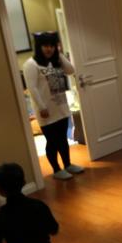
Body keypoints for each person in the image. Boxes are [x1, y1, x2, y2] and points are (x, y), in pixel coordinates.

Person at [22, 31, 85, 180]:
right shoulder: (31, 64)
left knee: (63, 139)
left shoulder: (56, 61)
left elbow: (71, 70)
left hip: (61, 107)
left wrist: (60, 55)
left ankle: (68, 165)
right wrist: (42, 107)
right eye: (45, 45)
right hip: (46, 110)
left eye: (52, 45)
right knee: (53, 141)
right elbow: (32, 88)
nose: (49, 49)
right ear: (39, 46)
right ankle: (56, 170)